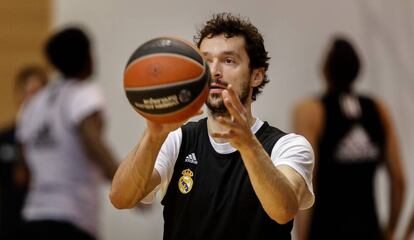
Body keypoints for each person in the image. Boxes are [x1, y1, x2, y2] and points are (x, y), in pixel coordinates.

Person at [110, 13, 315, 239]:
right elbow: (120, 198)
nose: (214, 71)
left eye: (229, 61)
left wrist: (248, 145)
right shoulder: (178, 139)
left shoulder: (288, 146)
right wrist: (153, 136)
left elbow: (284, 211)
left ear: (257, 75)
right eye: (206, 60)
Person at [293, 37, 405, 240]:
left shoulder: (310, 111)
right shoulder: (378, 110)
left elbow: (306, 180)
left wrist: (301, 236)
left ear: (325, 70)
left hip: (325, 230)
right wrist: (390, 230)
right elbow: (398, 180)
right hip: (369, 230)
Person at [16, 27, 118, 240]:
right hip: (71, 218)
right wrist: (128, 185)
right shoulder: (85, 94)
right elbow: (94, 147)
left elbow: (23, 167)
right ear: (87, 56)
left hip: (32, 218)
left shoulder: (33, 103)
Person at [0, 66, 47, 240]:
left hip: (45, 224)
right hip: (10, 225)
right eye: (30, 93)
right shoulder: (4, 137)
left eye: (40, 93)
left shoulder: (54, 140)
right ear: (19, 96)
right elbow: (19, 178)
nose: (34, 100)